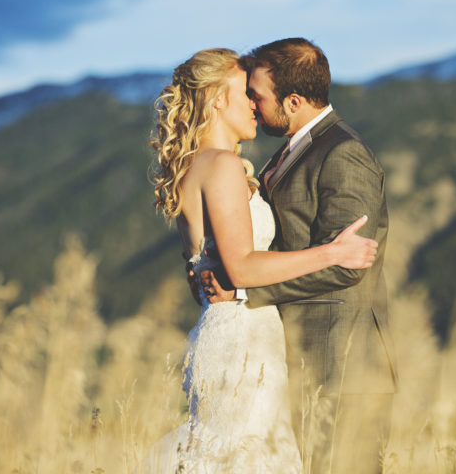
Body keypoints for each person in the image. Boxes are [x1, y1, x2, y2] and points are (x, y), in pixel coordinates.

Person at [144, 47, 378, 473]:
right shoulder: (226, 167)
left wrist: (219, 279)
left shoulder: (195, 166)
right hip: (244, 339)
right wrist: (333, 251)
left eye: (257, 94)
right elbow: (242, 269)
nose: (254, 104)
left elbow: (209, 268)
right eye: (244, 94)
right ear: (217, 99)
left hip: (226, 333)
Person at [200, 38, 397, 473]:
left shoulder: (344, 153)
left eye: (258, 95)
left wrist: (245, 291)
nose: (252, 103)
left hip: (341, 368)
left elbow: (347, 265)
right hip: (298, 365)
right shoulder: (294, 149)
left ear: (292, 101)